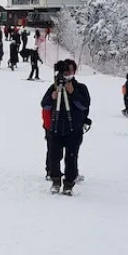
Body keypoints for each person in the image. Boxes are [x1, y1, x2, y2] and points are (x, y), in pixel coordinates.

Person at [40, 59, 91, 195]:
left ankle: (68, 184)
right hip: (55, 128)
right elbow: (44, 104)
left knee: (71, 158)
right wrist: (52, 97)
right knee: (54, 157)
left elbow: (84, 105)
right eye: (65, 71)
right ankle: (55, 181)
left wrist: (73, 93)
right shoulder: (54, 87)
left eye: (70, 71)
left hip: (73, 129)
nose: (68, 74)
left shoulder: (81, 88)